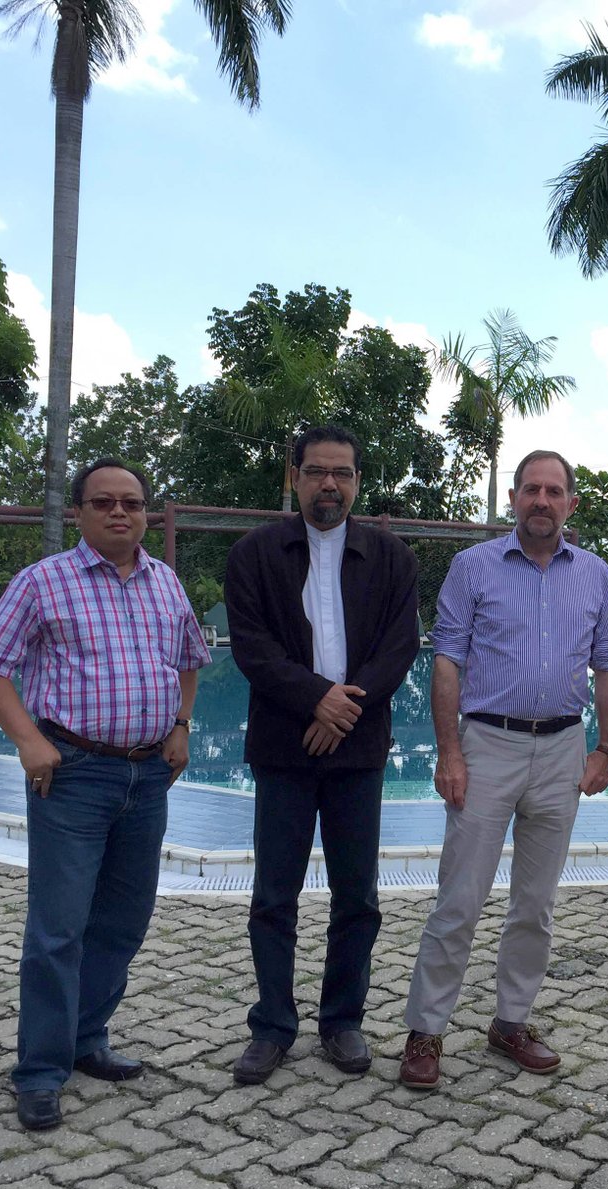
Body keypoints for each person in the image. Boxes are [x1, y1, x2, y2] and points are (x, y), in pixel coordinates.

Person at [0, 458, 210, 1132]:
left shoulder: (165, 583)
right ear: (80, 512)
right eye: (103, 502)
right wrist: (27, 740)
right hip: (72, 772)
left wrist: (182, 727)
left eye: (131, 503)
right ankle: (40, 1072)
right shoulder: (43, 582)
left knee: (123, 922)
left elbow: (191, 658)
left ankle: (86, 1039)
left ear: (146, 514)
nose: (118, 513)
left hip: (148, 773)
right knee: (58, 930)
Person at [399, 450, 608, 1090]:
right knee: (460, 899)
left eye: (554, 491)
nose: (542, 501)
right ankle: (426, 1031)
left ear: (571, 504)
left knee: (536, 904)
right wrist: (450, 753)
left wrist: (605, 748)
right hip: (488, 744)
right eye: (531, 490)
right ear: (514, 499)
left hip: (561, 749)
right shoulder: (473, 567)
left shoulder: (596, 576)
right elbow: (447, 662)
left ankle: (511, 1021)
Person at [224, 425, 420, 1084]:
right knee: (273, 896)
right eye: (316, 472)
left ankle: (342, 1021)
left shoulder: (390, 557)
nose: (329, 484)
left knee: (356, 895)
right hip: (284, 746)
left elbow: (399, 647)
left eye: (342, 472)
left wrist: (344, 712)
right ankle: (274, 1026)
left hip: (357, 750)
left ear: (358, 481)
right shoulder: (254, 553)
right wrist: (316, 700)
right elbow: (252, 648)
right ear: (295, 477)